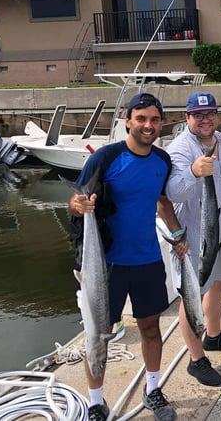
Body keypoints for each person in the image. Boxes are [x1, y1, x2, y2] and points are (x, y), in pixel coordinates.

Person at [69, 92, 185, 421]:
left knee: (150, 327)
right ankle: (95, 403)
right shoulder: (104, 158)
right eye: (141, 119)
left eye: (154, 119)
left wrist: (177, 235)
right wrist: (79, 205)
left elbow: (162, 201)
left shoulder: (162, 161)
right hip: (106, 265)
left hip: (148, 260)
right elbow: (75, 201)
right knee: (100, 334)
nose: (148, 125)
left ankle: (152, 390)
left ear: (161, 123)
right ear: (127, 122)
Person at [165, 91, 221, 387]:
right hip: (194, 239)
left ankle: (213, 336)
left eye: (210, 113)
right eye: (198, 115)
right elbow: (173, 193)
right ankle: (196, 359)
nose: (205, 119)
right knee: (192, 296)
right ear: (187, 117)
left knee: (220, 282)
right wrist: (193, 172)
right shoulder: (179, 149)